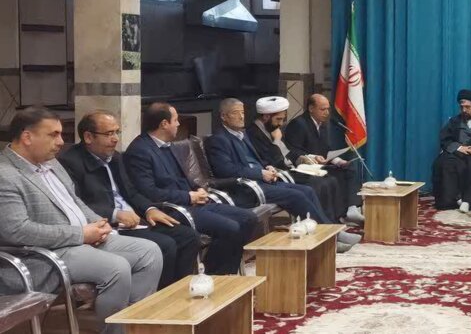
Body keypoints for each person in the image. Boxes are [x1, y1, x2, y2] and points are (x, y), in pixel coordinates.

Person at [0, 107, 162, 334]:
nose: (61, 142)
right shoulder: (5, 174)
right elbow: (16, 231)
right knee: (116, 268)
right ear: (27, 137)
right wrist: (80, 234)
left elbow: (74, 201)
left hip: (82, 238)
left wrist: (100, 224)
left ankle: (132, 325)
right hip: (44, 253)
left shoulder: (51, 162)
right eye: (53, 135)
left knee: (150, 252)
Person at [59, 110, 200, 288]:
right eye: (109, 134)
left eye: (117, 132)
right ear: (88, 137)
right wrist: (115, 214)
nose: (115, 139)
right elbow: (77, 204)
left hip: (135, 220)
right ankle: (158, 297)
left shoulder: (115, 157)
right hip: (110, 226)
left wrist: (149, 209)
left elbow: (131, 192)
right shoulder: (70, 162)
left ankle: (178, 291)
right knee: (166, 244)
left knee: (188, 236)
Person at [204, 98, 360, 252]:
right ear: (223, 116)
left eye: (243, 112)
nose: (241, 117)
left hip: (262, 180)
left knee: (307, 190)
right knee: (296, 196)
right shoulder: (218, 139)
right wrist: (260, 173)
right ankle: (330, 240)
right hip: (246, 188)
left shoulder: (242, 135)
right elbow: (226, 170)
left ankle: (330, 232)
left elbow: (255, 159)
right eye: (235, 113)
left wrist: (267, 167)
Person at [124, 102, 258, 275]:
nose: (178, 124)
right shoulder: (140, 151)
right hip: (173, 208)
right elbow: (149, 192)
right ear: (164, 124)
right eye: (175, 120)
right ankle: (214, 276)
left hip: (192, 202)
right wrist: (188, 196)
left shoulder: (168, 145)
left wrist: (197, 189)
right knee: (230, 228)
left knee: (248, 218)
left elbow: (182, 177)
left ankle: (223, 271)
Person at [246, 96, 346, 222]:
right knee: (318, 183)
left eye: (282, 119)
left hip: (289, 168)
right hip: (276, 174)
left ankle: (333, 221)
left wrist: (301, 158)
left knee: (329, 180)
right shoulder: (254, 133)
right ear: (266, 116)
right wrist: (276, 141)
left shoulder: (271, 127)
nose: (281, 123)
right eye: (278, 119)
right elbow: (273, 160)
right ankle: (324, 223)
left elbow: (288, 152)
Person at [284, 94, 365, 225]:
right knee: (330, 179)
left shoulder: (322, 125)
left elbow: (326, 150)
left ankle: (351, 209)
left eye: (328, 109)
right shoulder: (298, 124)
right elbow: (293, 151)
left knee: (348, 168)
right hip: (306, 168)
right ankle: (335, 218)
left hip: (320, 165)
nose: (327, 113)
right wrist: (312, 157)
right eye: (323, 109)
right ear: (311, 108)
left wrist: (338, 161)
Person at [431, 89, 471, 212]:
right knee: (443, 162)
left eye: (467, 107)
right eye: (462, 107)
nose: (464, 110)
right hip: (458, 153)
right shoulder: (454, 121)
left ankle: (468, 201)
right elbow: (445, 139)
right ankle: (453, 199)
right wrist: (460, 148)